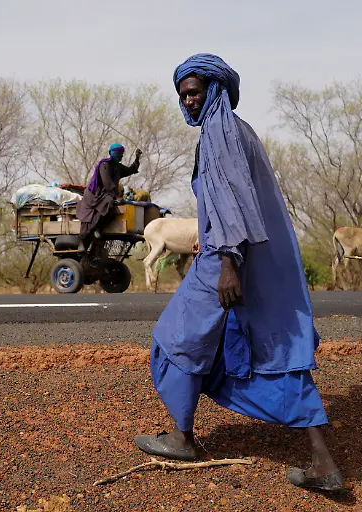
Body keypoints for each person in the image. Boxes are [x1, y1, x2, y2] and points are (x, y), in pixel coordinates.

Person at [133, 54, 343, 492]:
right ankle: (325, 465)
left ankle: (182, 437)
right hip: (242, 256)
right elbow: (236, 199)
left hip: (229, 261)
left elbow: (231, 199)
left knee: (177, 339)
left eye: (194, 91)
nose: (188, 101)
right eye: (183, 94)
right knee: (273, 352)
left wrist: (228, 259)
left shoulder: (219, 131)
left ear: (215, 89)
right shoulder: (237, 128)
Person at [75, 143, 141, 245]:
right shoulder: (104, 164)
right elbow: (107, 183)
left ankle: (98, 228)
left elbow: (130, 170)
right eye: (119, 154)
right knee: (109, 203)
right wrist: (116, 197)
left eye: (122, 154)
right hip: (95, 195)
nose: (121, 156)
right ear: (112, 153)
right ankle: (92, 230)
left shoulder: (118, 167)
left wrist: (137, 158)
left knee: (113, 205)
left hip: (106, 195)